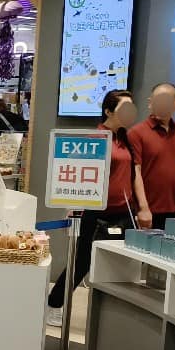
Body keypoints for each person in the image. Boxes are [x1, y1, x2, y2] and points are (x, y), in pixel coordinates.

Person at [47, 90, 139, 326]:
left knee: (120, 265)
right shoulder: (96, 138)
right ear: (108, 111)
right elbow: (80, 174)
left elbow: (134, 175)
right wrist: (75, 206)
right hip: (96, 211)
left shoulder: (126, 140)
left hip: (123, 211)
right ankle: (54, 303)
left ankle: (113, 318)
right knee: (81, 262)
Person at [128, 83, 175, 229]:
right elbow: (135, 172)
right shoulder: (136, 133)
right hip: (148, 213)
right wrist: (143, 208)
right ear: (150, 103)